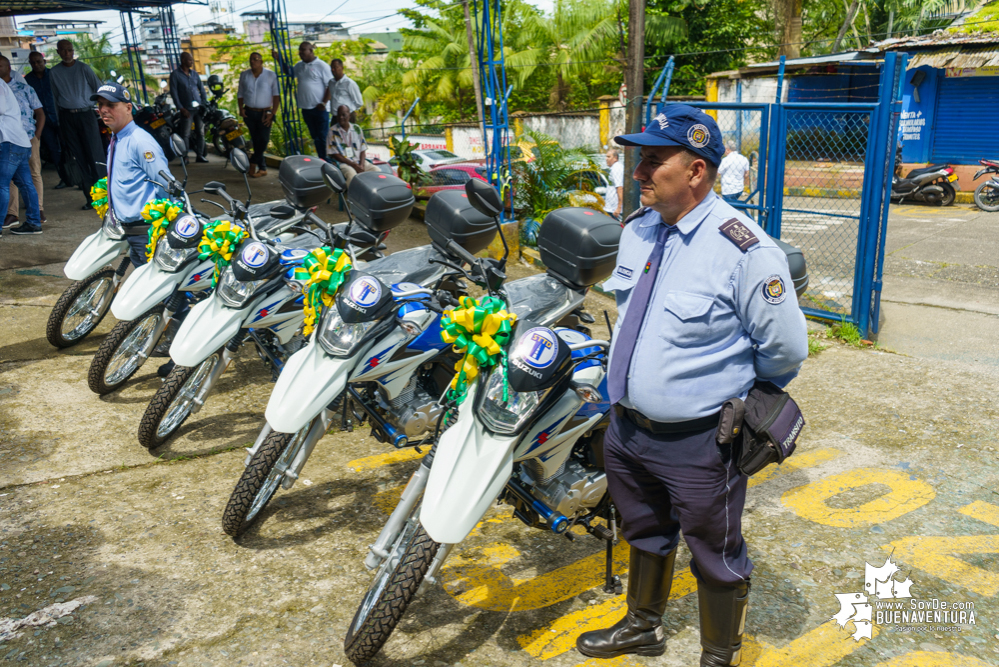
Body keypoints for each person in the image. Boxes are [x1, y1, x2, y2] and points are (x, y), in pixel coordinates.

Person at [575, 105, 808, 665]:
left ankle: (718, 653)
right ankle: (642, 626)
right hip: (628, 429)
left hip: (702, 442)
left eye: (655, 161)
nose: (639, 173)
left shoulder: (745, 250)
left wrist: (737, 397)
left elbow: (785, 349)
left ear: (697, 170)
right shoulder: (638, 231)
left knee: (715, 551)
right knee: (644, 530)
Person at [48, 39, 105, 209]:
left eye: (69, 50)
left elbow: (99, 89)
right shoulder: (54, 73)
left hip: (86, 115)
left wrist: (104, 113)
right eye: (63, 50)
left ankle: (105, 198)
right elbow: (55, 98)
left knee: (95, 157)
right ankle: (90, 199)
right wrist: (59, 122)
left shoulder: (83, 68)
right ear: (58, 52)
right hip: (67, 118)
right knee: (79, 159)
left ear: (73, 51)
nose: (67, 53)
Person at [0, 56, 45, 229]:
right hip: (18, 141)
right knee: (25, 183)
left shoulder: (4, 85)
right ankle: (34, 223)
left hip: (11, 141)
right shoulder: (3, 85)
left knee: (3, 184)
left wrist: (38, 135)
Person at [273, 42, 332, 160]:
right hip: (306, 108)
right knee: (315, 136)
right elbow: (289, 72)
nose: (301, 53)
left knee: (322, 136)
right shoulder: (299, 66)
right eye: (299, 50)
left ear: (311, 50)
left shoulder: (322, 66)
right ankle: (322, 160)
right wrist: (279, 59)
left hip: (320, 109)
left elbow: (330, 85)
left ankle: (327, 160)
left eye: (303, 50)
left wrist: (324, 103)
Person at [24, 51, 70, 190]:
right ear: (30, 64)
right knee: (53, 150)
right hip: (42, 121)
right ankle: (64, 178)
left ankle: (77, 178)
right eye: (33, 62)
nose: (36, 64)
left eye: (39, 61)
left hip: (60, 116)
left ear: (44, 61)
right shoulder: (28, 80)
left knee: (68, 147)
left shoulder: (54, 75)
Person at [237, 52, 280, 178]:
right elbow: (240, 94)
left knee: (264, 140)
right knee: (256, 140)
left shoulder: (270, 75)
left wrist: (273, 113)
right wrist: (241, 108)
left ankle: (253, 162)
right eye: (251, 59)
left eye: (256, 59)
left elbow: (276, 95)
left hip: (264, 113)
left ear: (261, 62)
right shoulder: (244, 75)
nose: (253, 62)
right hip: (249, 112)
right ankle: (263, 168)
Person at [169, 52, 208, 163]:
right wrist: (181, 108)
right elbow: (174, 93)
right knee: (185, 133)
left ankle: (200, 155)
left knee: (200, 132)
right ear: (183, 60)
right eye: (190, 60)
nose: (192, 61)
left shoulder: (194, 74)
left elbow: (202, 89)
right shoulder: (175, 75)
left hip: (198, 108)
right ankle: (185, 157)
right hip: (186, 109)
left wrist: (204, 103)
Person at [327, 104, 369, 186]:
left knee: (377, 171)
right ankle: (352, 198)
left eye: (343, 115)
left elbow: (363, 149)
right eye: (339, 115)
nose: (341, 117)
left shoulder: (356, 128)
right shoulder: (332, 131)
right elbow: (335, 154)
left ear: (349, 115)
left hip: (359, 162)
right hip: (344, 164)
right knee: (352, 175)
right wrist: (353, 165)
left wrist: (361, 165)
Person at [603, 147, 624, 220]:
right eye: (606, 156)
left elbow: (620, 188)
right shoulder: (614, 168)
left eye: (609, 157)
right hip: (611, 208)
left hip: (615, 209)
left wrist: (619, 208)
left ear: (615, 158)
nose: (606, 159)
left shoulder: (617, 168)